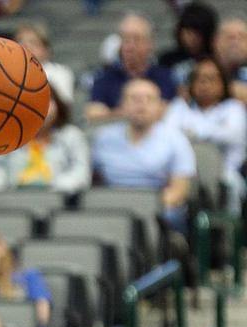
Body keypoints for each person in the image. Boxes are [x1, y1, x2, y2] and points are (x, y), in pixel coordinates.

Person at [92, 78, 196, 234]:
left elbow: (179, 189)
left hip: (158, 207)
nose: (141, 105)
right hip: (112, 206)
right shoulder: (104, 138)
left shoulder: (176, 139)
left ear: (160, 107)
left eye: (149, 99)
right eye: (134, 99)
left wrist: (144, 207)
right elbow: (91, 181)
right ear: (122, 104)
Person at [163, 58, 247, 213]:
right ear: (192, 84)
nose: (205, 85)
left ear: (223, 83)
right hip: (184, 174)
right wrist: (210, 131)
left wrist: (193, 132)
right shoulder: (179, 108)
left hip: (226, 173)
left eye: (212, 79)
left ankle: (228, 232)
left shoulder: (233, 108)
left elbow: (232, 135)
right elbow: (167, 136)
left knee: (232, 185)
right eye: (200, 79)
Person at [0, 84, 91, 199]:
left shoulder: (72, 136)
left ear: (58, 105)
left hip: (59, 204)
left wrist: (52, 190)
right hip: (13, 205)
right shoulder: (6, 136)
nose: (40, 108)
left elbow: (81, 174)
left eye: (47, 101)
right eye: (34, 102)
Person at [86, 13, 176, 123]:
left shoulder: (165, 76)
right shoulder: (104, 77)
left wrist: (113, 112)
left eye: (137, 39)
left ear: (150, 44)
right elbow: (94, 113)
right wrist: (142, 111)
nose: (130, 47)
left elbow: (169, 111)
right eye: (125, 40)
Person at [158, 1, 218, 89]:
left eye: (196, 33)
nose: (191, 37)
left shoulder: (216, 60)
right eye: (187, 32)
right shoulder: (167, 60)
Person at [14, 21, 76, 105]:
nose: (26, 46)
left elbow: (63, 106)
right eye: (20, 42)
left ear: (46, 49)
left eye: (32, 42)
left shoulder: (60, 73)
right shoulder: (6, 72)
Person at [213, 18, 247, 104]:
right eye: (230, 37)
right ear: (215, 42)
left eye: (241, 37)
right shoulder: (196, 72)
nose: (235, 42)